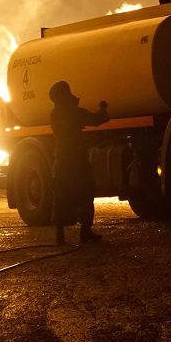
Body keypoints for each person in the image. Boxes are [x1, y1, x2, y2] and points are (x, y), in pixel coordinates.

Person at [49, 80, 109, 245]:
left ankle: (60, 236)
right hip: (77, 162)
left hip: (62, 162)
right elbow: (98, 119)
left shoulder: (55, 114)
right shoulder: (72, 112)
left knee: (62, 197)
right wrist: (104, 107)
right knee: (85, 194)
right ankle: (85, 232)